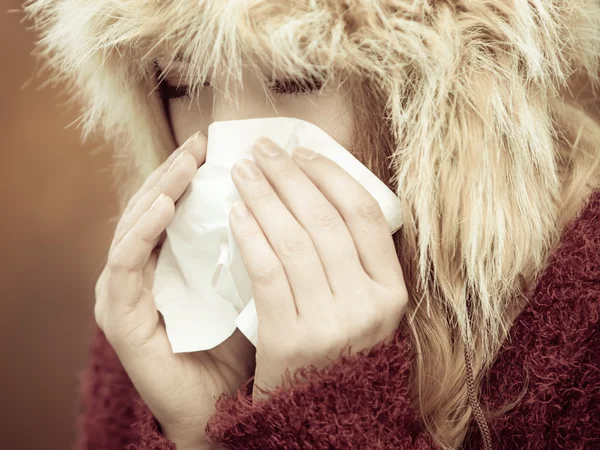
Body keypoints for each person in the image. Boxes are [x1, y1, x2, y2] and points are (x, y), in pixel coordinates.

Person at [25, 1, 600, 449]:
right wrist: (203, 433)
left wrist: (324, 407)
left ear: (438, 96)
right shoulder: (160, 319)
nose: (236, 146)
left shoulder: (581, 315)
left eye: (297, 77)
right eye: (183, 83)